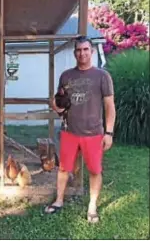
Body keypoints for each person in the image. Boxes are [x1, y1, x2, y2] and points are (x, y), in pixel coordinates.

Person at [45, 36, 116, 223]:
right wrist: (55, 105)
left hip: (93, 133)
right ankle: (59, 200)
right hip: (69, 131)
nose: (82, 53)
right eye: (78, 50)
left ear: (91, 51)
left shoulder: (102, 76)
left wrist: (108, 132)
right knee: (63, 169)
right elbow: (60, 104)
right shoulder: (66, 76)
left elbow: (109, 106)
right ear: (74, 52)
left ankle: (92, 207)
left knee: (94, 170)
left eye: (85, 49)